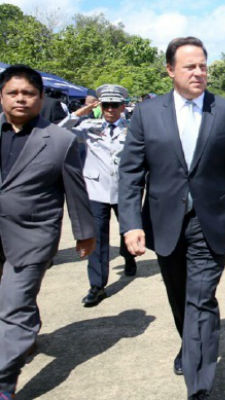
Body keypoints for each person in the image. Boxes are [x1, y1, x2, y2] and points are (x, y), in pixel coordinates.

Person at [118, 37, 225, 399]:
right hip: (165, 221)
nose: (198, 72)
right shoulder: (147, 114)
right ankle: (189, 344)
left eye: (203, 66)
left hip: (212, 221)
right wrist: (131, 223)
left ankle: (199, 386)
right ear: (170, 70)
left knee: (201, 298)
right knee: (179, 296)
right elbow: (130, 174)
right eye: (190, 66)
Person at [0, 65, 96, 399]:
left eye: (28, 93)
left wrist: (85, 234)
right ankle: (23, 337)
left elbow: (75, 190)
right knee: (11, 304)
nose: (21, 100)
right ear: (2, 96)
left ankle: (3, 382)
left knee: (15, 304)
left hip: (32, 235)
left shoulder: (59, 141)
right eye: (13, 93)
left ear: (41, 98)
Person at [58, 84, 138, 307]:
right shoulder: (89, 126)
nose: (110, 110)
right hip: (96, 190)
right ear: (100, 106)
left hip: (124, 190)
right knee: (98, 239)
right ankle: (97, 286)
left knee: (128, 230)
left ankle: (128, 256)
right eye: (106, 105)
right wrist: (78, 114)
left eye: (115, 105)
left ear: (123, 106)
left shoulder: (132, 129)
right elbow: (58, 132)